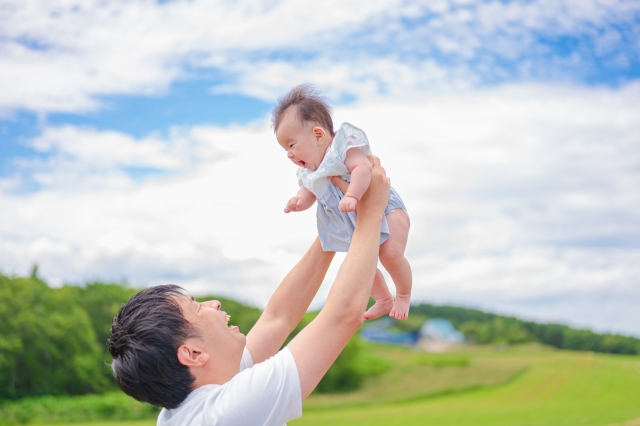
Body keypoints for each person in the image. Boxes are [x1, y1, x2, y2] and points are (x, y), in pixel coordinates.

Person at [108, 156, 391, 426]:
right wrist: (371, 212)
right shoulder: (227, 414)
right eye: (197, 308)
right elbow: (342, 317)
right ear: (193, 354)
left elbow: (278, 317)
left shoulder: (194, 402)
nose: (214, 303)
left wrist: (332, 226)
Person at [273, 84, 412, 320]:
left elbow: (363, 168)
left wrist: (352, 195)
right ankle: (382, 299)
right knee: (360, 265)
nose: (289, 154)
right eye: (285, 149)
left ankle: (403, 295)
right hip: (358, 221)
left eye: (292, 145)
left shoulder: (342, 148)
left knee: (389, 254)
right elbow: (309, 192)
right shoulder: (311, 173)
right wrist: (299, 201)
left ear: (318, 135)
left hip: (387, 208)